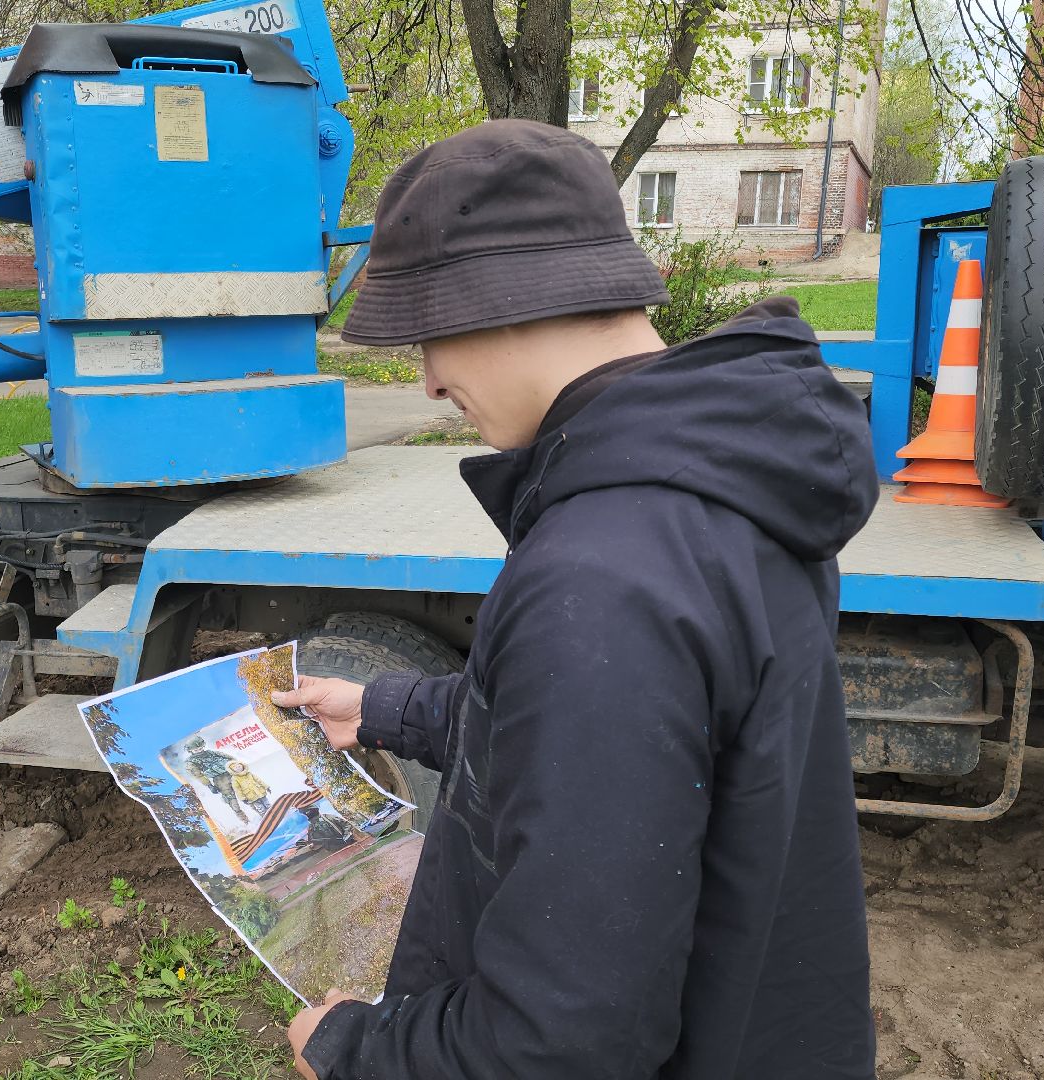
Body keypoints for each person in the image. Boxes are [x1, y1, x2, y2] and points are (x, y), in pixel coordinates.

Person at [271, 119, 880, 1078]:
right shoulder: (719, 487)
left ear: (504, 299)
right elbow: (625, 740)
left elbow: (561, 1041)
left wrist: (357, 1053)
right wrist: (383, 709)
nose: (427, 382)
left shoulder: (600, 576)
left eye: (428, 336)